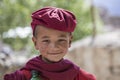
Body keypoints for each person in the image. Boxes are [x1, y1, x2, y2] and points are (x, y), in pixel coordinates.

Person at [4, 6, 96, 80]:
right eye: (46, 41)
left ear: (70, 41)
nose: (54, 47)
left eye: (61, 40)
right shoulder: (25, 76)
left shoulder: (78, 75)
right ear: (35, 43)